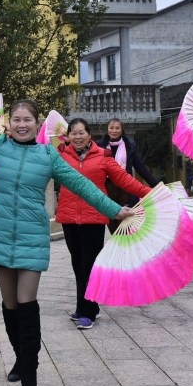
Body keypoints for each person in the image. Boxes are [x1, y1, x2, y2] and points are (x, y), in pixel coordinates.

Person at [0, 95, 136, 386]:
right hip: (0, 234)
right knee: (9, 306)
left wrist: (114, 210)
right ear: (9, 123)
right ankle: (20, 359)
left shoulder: (49, 156)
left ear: (37, 125)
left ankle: (30, 372)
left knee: (26, 302)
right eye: (17, 119)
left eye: (28, 120)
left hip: (32, 237)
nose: (22, 125)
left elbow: (82, 185)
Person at [57, 118, 151, 331]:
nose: (78, 137)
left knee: (89, 266)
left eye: (82, 133)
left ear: (89, 135)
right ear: (68, 136)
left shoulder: (103, 156)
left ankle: (88, 312)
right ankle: (85, 307)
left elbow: (126, 180)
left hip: (94, 218)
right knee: (77, 264)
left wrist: (151, 192)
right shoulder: (60, 155)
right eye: (73, 133)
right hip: (69, 218)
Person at [95, 119, 159, 233]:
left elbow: (141, 168)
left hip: (125, 188)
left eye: (117, 128)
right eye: (111, 128)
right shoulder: (99, 146)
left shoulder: (129, 147)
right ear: (107, 129)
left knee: (125, 224)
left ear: (121, 130)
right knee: (112, 223)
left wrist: (157, 185)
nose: (114, 131)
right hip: (107, 188)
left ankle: (123, 245)